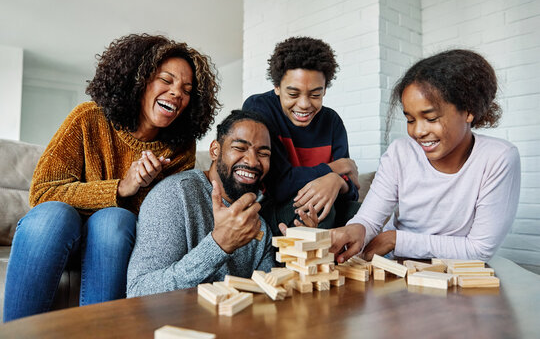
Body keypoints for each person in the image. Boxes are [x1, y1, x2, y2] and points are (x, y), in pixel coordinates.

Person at [3, 34, 220, 322]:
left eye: (187, 89)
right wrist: (122, 187)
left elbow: (164, 227)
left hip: (113, 246)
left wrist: (142, 190)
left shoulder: (179, 149)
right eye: (165, 80)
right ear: (140, 80)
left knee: (114, 220)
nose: (177, 93)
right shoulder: (88, 118)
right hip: (56, 238)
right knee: (54, 214)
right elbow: (41, 193)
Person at [331, 49, 521, 263]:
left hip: (457, 274)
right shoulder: (400, 153)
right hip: (398, 269)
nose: (418, 132)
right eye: (410, 120)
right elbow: (369, 219)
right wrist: (355, 229)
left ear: (469, 111)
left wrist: (396, 240)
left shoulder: (498, 158)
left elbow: (479, 249)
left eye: (430, 118)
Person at [127, 110, 277, 297]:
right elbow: (138, 291)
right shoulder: (175, 196)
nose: (253, 161)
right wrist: (218, 245)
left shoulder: (258, 221)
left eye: (263, 153)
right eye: (239, 148)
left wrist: (306, 255)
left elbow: (271, 296)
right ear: (215, 150)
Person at [243, 37, 361, 237]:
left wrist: (336, 181)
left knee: (360, 216)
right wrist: (337, 168)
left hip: (320, 204)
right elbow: (279, 186)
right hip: (275, 209)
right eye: (293, 94)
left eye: (315, 95)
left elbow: (352, 191)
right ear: (277, 87)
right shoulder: (259, 108)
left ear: (324, 89)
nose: (305, 104)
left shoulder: (332, 122)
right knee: (317, 208)